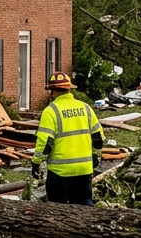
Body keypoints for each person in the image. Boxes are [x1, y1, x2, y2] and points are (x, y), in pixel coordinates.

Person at [31, 72, 105, 205]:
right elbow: (98, 139)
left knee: (58, 210)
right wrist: (96, 156)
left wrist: (36, 162)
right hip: (84, 169)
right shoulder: (85, 108)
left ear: (52, 92)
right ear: (69, 89)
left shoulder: (51, 111)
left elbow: (44, 143)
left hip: (60, 172)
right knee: (84, 208)